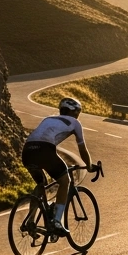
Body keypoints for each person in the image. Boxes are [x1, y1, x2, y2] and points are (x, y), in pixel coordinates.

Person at [22, 97, 93, 240]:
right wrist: (89, 166)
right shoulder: (75, 123)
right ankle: (57, 221)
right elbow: (82, 149)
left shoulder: (48, 118)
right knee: (64, 181)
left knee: (41, 184)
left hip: (27, 151)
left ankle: (30, 222)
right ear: (74, 112)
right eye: (78, 112)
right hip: (45, 150)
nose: (78, 116)